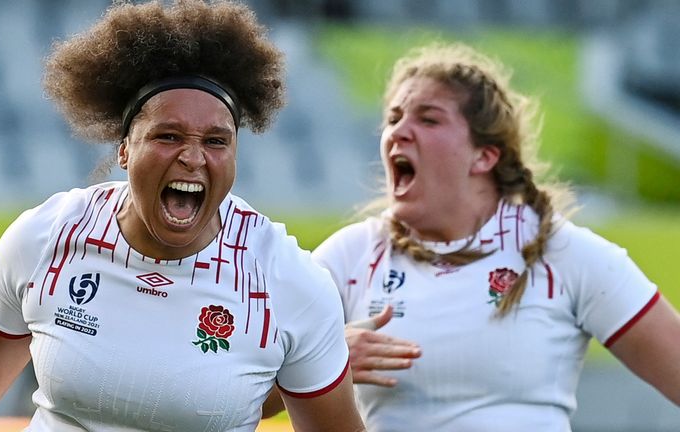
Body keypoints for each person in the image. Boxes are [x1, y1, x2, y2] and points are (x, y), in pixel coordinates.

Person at [0, 1, 366, 431]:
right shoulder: (48, 236)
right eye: (168, 136)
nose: (192, 157)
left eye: (216, 141)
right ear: (125, 150)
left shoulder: (289, 283)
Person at [266, 41, 680, 430]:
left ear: (485, 156)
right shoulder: (349, 256)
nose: (398, 132)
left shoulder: (564, 253)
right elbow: (235, 391)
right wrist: (322, 366)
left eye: (428, 118)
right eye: (393, 118)